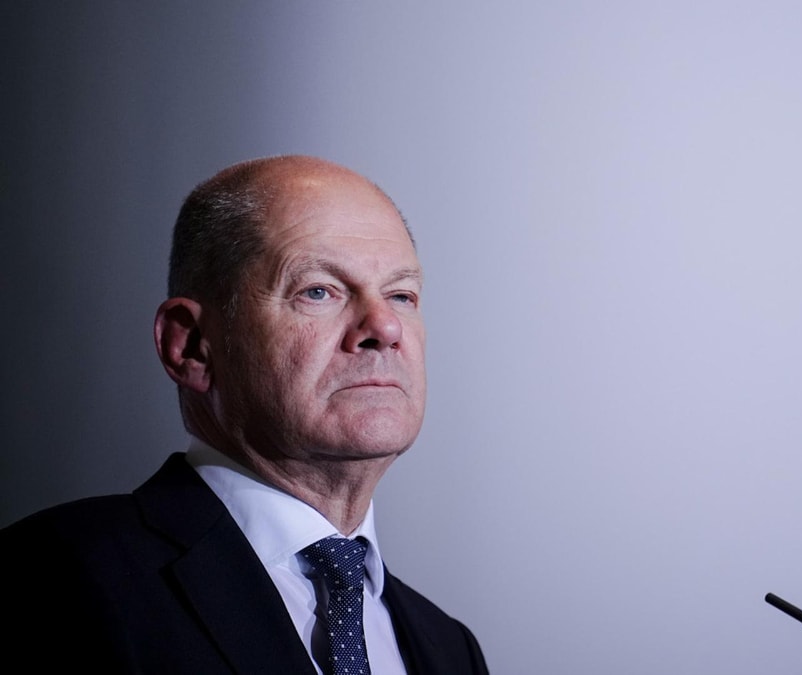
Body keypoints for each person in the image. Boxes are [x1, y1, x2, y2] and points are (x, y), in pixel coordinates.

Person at [0, 155, 489, 674]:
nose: (385, 327)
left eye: (401, 295)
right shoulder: (53, 578)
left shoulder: (450, 648)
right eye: (318, 291)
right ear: (192, 346)